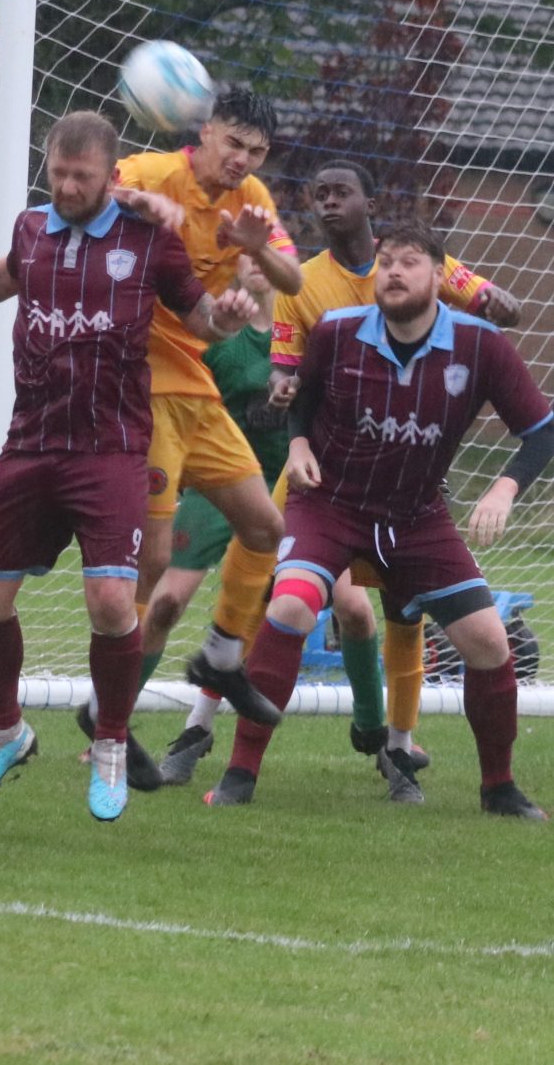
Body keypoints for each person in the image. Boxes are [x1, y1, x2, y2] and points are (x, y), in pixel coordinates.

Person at [0, 111, 255, 819]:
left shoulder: (148, 239)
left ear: (113, 177)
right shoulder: (31, 228)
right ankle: (5, 733)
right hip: (32, 441)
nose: (67, 185)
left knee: (112, 602)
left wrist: (230, 316)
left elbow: (202, 317)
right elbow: (7, 277)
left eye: (82, 176)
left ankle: (110, 744)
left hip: (110, 448)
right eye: (58, 172)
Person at [177, 157, 524, 800]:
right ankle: (199, 731)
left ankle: (397, 745)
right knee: (262, 591)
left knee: (397, 609)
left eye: (343, 193)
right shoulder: (304, 285)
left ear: (369, 201)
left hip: (406, 487)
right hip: (321, 475)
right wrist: (286, 399)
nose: (330, 203)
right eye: (320, 194)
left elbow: (498, 307)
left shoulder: (420, 266)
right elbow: (288, 369)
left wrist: (492, 299)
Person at [131, 254, 389, 791]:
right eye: (246, 257)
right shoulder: (217, 335)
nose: (258, 265)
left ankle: (376, 730)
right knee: (166, 603)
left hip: (304, 487)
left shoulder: (312, 330)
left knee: (356, 608)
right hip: (225, 488)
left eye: (271, 254)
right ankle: (113, 725)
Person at [110, 88, 305, 731]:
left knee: (265, 529)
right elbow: (82, 198)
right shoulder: (148, 170)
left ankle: (221, 659)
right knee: (154, 566)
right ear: (206, 132)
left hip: (192, 382)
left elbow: (293, 280)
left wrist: (259, 249)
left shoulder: (253, 201)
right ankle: (110, 710)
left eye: (256, 151)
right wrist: (140, 203)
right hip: (140, 374)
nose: (242, 159)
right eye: (234, 143)